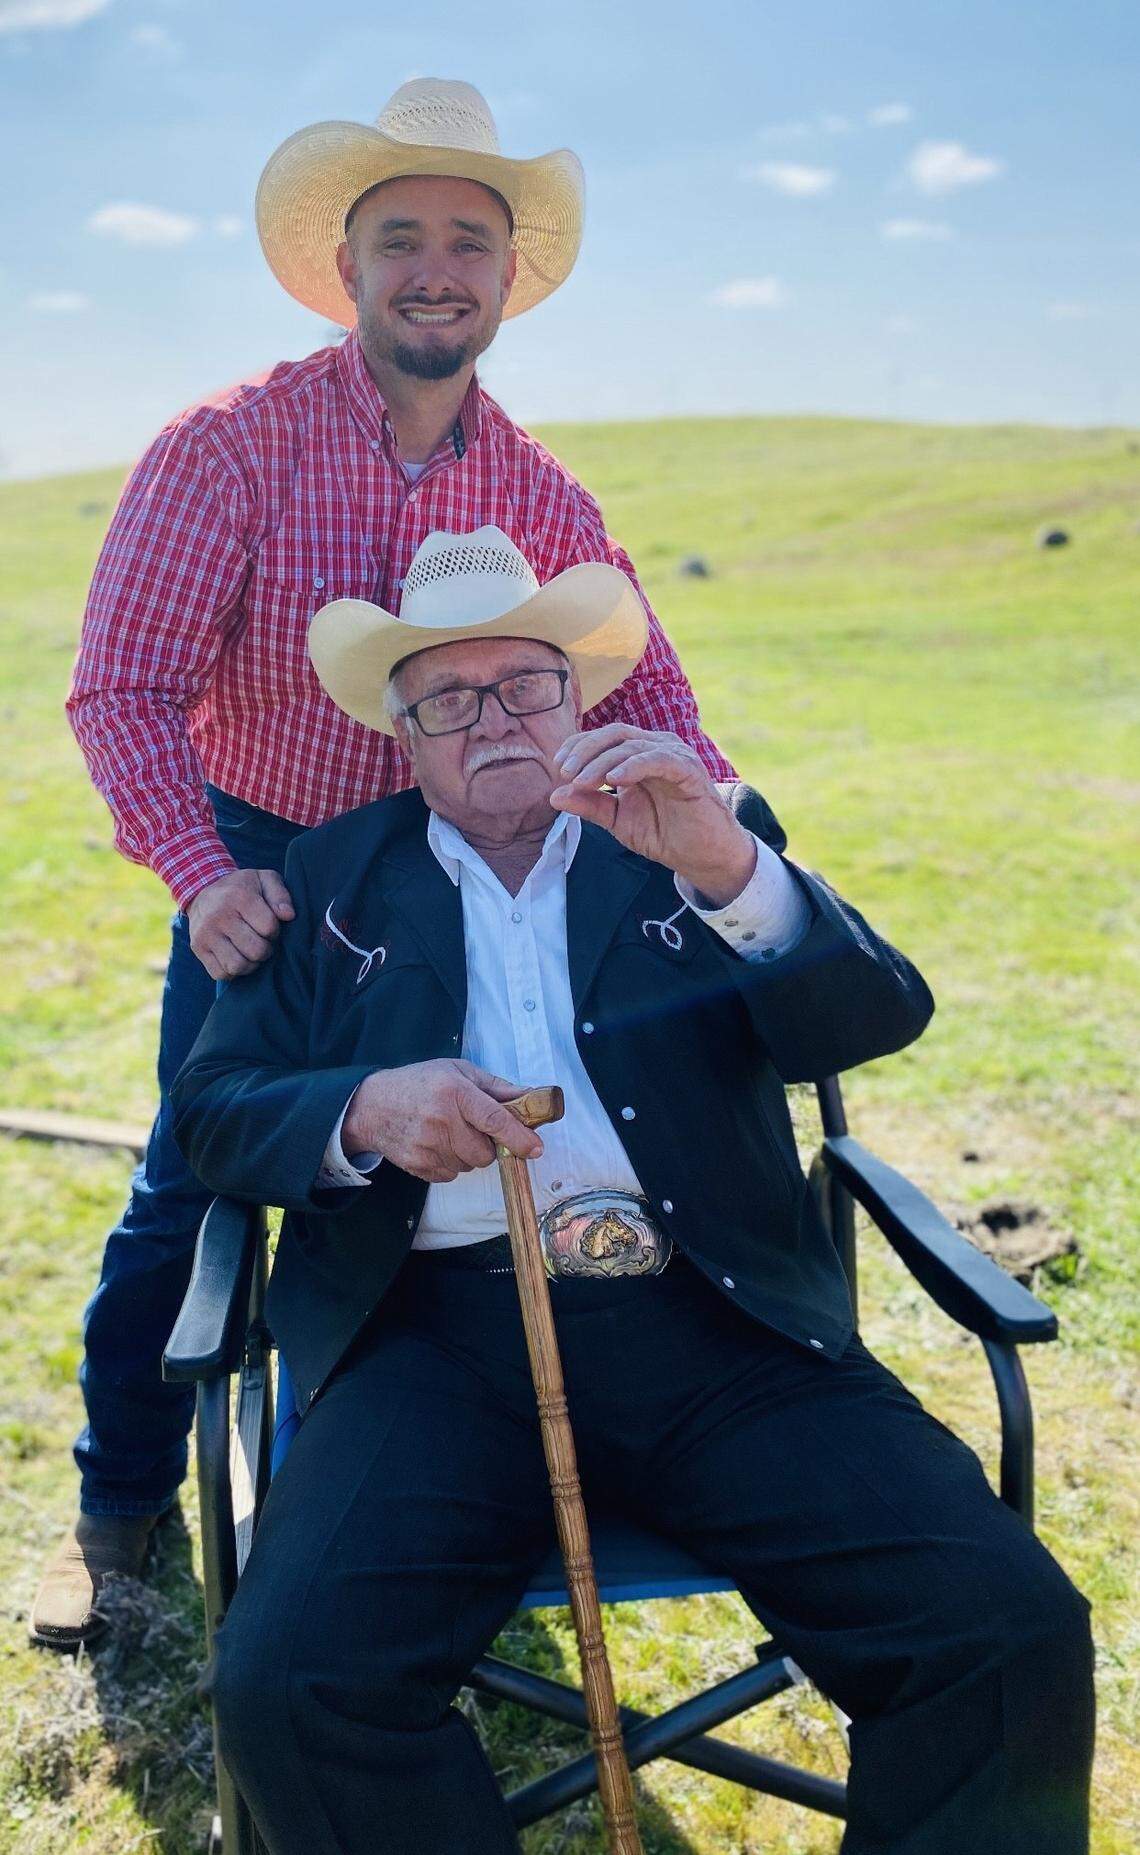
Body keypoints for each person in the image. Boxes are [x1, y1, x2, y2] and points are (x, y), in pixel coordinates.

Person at [171, 526, 1094, 1855]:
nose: (493, 720)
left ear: (580, 695)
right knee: (293, 1684)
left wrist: (729, 868)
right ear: (405, 733)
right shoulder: (322, 886)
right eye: (449, 696)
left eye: (528, 685)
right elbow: (213, 1111)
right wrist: (362, 1111)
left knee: (1001, 1632)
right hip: (432, 1342)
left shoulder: (688, 828)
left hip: (722, 1329)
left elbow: (876, 1016)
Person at [35, 78, 734, 1647]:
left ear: (504, 278)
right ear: (345, 268)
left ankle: (446, 1467)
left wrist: (726, 836)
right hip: (274, 871)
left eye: (469, 242)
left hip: (474, 864)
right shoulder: (230, 448)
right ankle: (122, 1511)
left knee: (473, 1158)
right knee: (194, 1186)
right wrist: (200, 872)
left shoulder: (541, 487)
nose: (437, 267)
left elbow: (661, 696)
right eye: (402, 237)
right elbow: (124, 686)